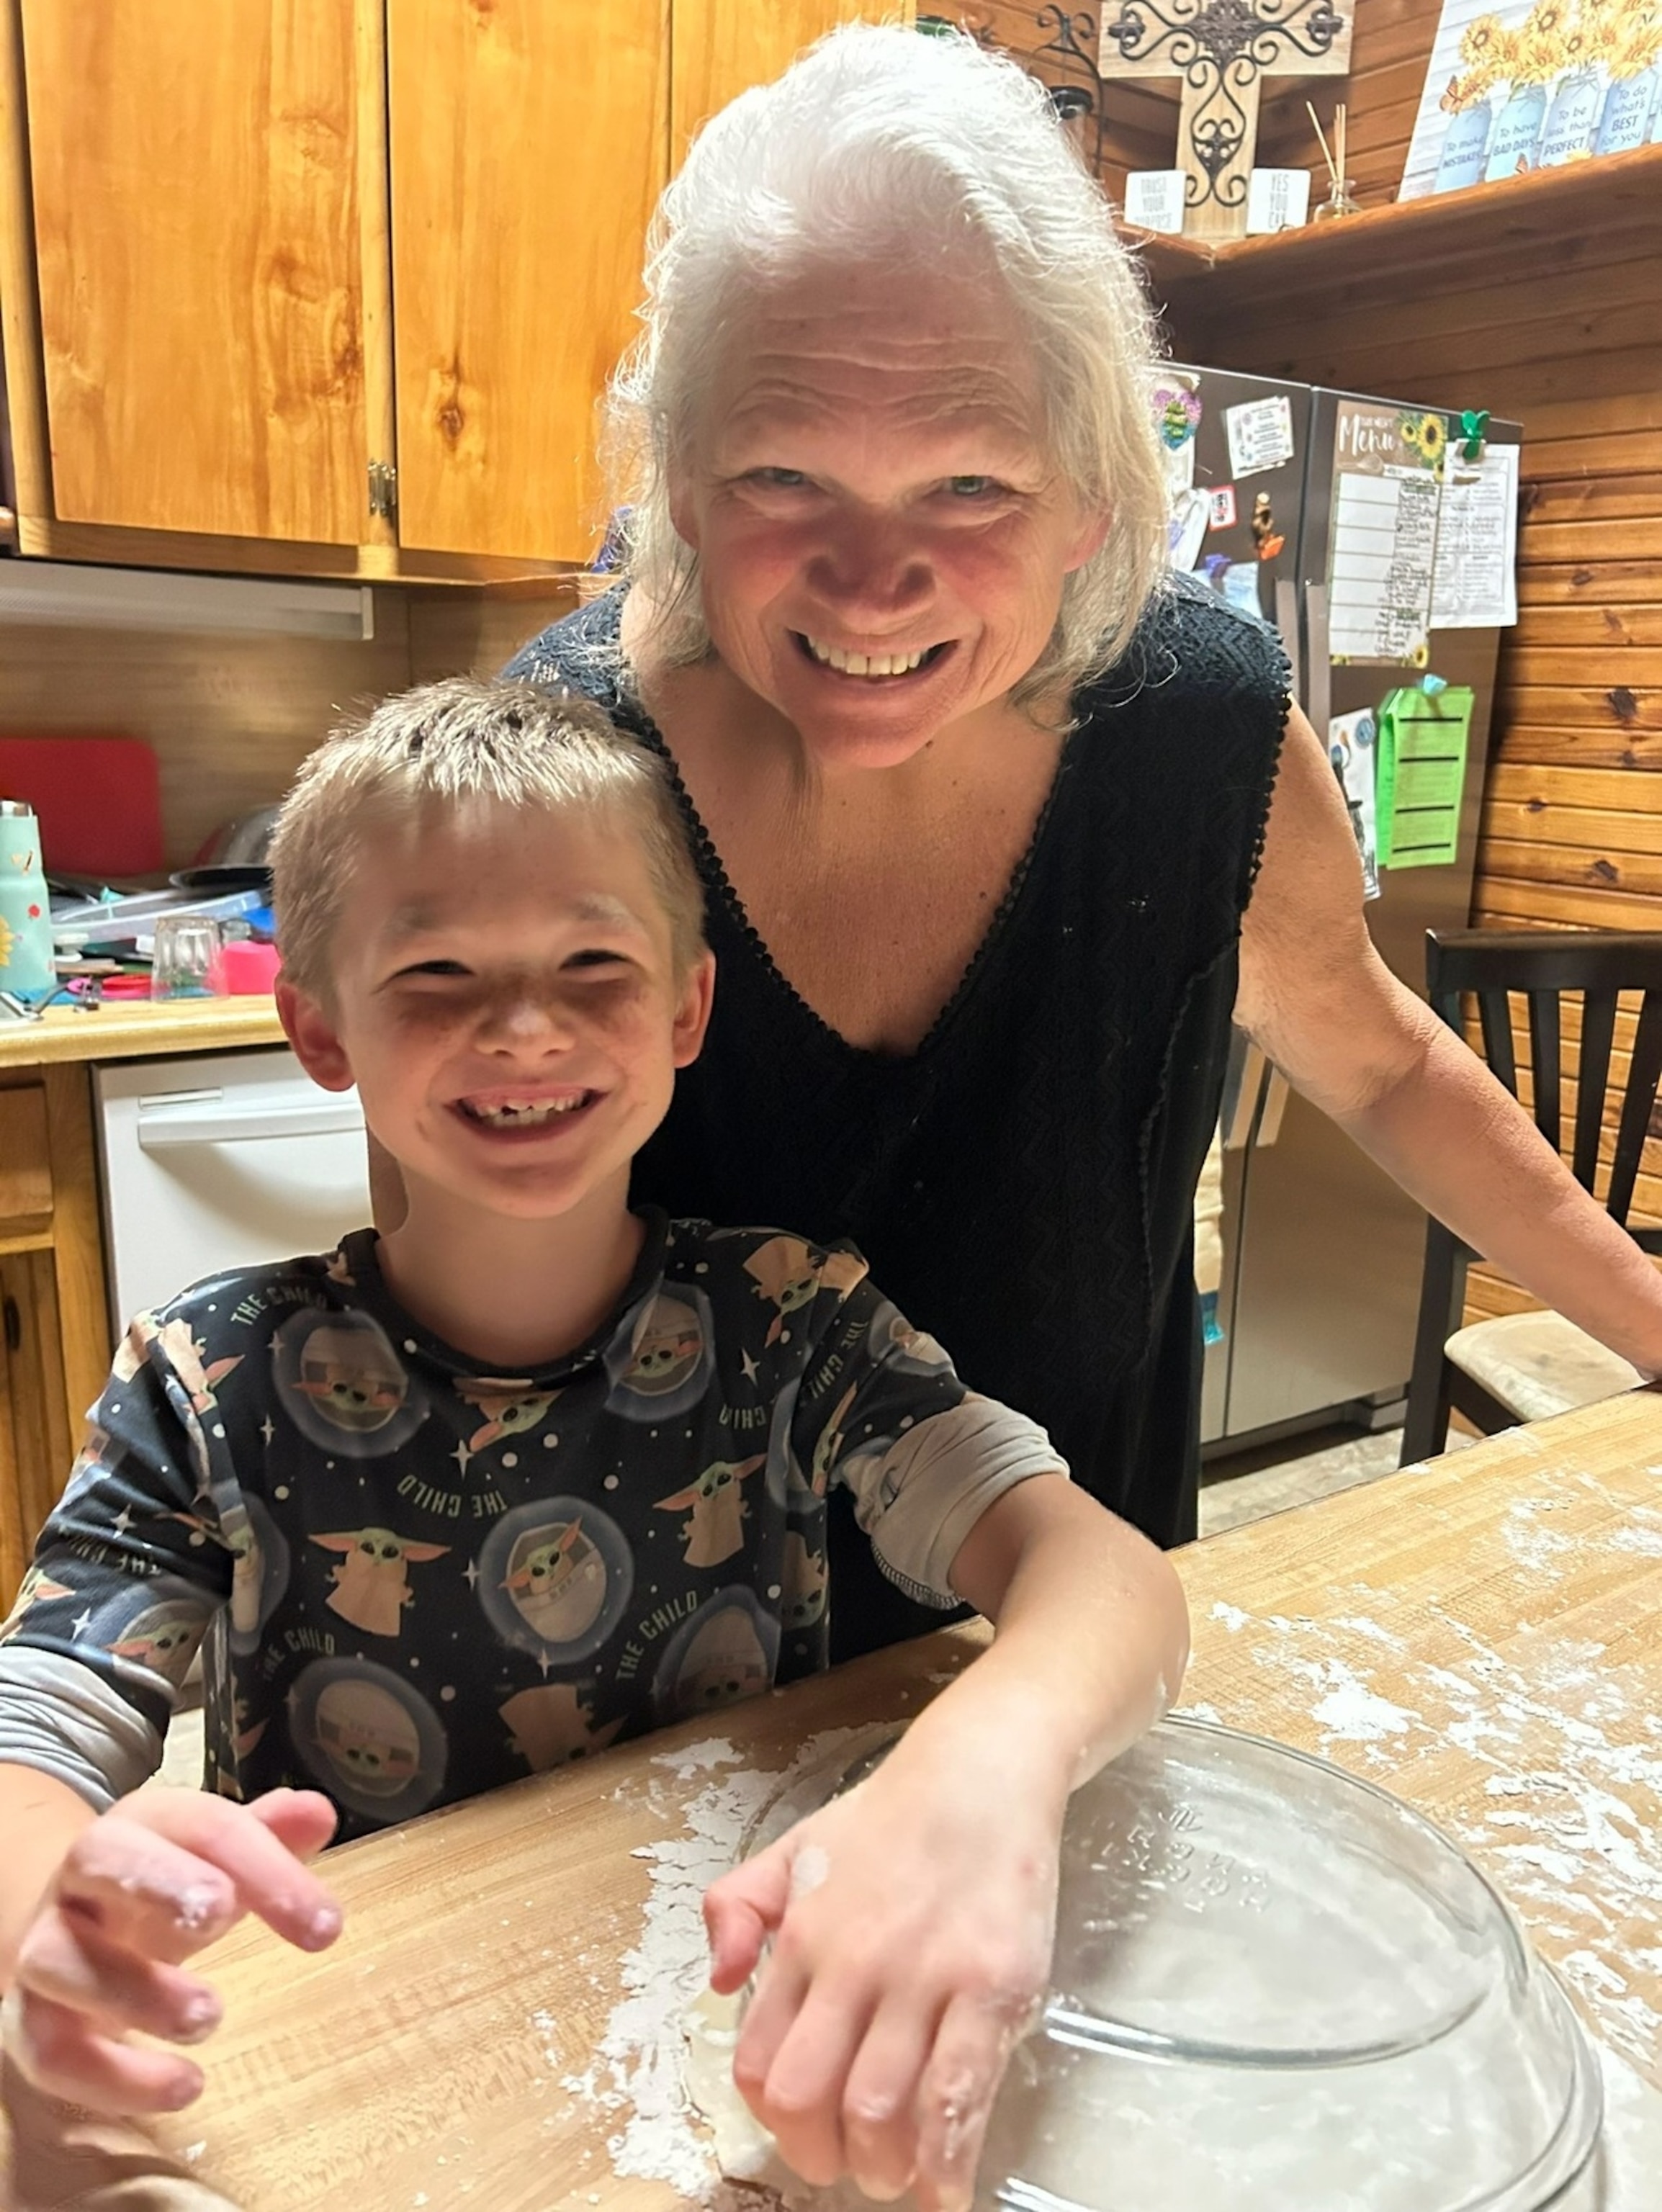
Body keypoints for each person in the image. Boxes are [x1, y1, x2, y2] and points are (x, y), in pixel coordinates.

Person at [498, 24, 1662, 1664]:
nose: (870, 580)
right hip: (659, 1657)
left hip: (1076, 1616)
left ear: (1088, 507)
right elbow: (455, 1281)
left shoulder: (1197, 725)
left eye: (969, 484)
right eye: (784, 474)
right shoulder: (555, 771)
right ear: (680, 483)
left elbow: (1381, 1064)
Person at [0, 680, 1188, 2211]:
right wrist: (47, 1900)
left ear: (686, 1009)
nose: (523, 1027)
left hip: (714, 2016)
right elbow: (34, 1726)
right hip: (386, 2051)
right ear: (317, 1027)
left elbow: (1099, 1572)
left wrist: (987, 1767)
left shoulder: (792, 1323)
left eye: (591, 964)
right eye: (433, 972)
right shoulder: (207, 1378)